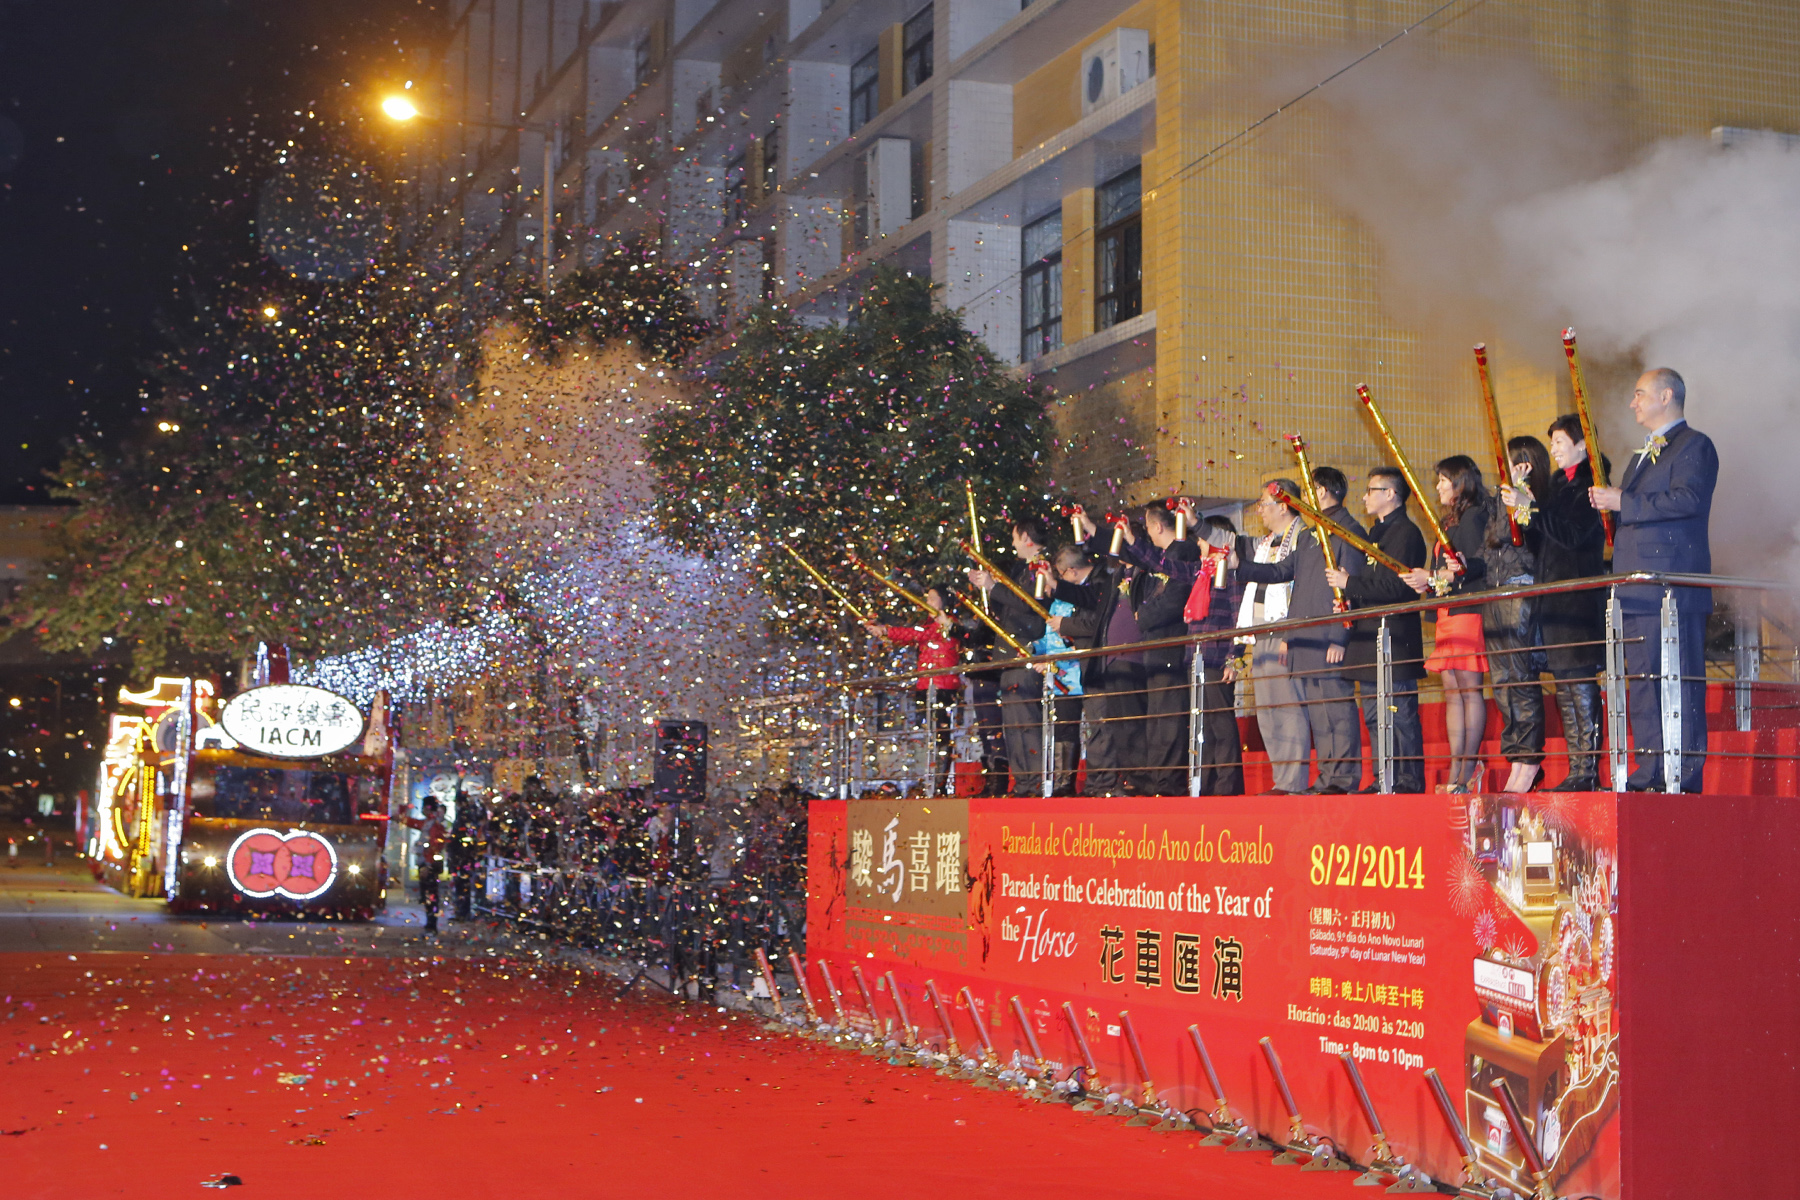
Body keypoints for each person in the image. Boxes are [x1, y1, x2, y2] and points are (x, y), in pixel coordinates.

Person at [1589, 367, 1718, 792]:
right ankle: (1650, 770)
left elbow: (1688, 499)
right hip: (1636, 586)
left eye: (1640, 393)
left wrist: (1622, 501)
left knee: (1679, 681)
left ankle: (1683, 775)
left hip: (1671, 586)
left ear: (1666, 396)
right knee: (1644, 683)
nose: (1633, 402)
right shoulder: (1642, 453)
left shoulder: (1695, 444)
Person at [1237, 474, 1366, 794]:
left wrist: (1339, 637)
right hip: (1305, 636)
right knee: (1319, 715)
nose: (1304, 498)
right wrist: (1239, 565)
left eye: (1309, 491)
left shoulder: (1347, 530)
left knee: (1337, 710)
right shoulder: (1310, 535)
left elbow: (1350, 590)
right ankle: (1326, 777)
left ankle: (1344, 778)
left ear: (1322, 491)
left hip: (1329, 637)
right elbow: (1282, 572)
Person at [1512, 415, 1609, 790]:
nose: (1552, 449)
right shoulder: (1556, 484)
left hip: (1577, 598)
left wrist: (1534, 509)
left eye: (1559, 442)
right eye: (1551, 442)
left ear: (1582, 444)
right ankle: (1576, 768)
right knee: (1564, 687)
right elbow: (1541, 543)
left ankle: (1587, 769)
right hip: (1552, 597)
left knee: (1580, 682)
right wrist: (1525, 510)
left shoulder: (1592, 483)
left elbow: (1572, 535)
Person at [1327, 466, 1428, 793]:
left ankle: (1407, 782)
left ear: (1390, 494)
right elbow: (1371, 585)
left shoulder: (1406, 534)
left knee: (1399, 715)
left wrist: (1350, 583)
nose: (1365, 497)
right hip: (1368, 637)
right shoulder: (1374, 535)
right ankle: (1383, 778)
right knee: (1373, 715)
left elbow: (1398, 587)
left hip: (1394, 638)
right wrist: (1349, 599)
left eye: (1371, 490)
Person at [1405, 456, 1490, 793]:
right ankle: (1456, 770)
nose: (1438, 486)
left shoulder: (1475, 516)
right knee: (1453, 692)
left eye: (1443, 480)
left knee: (1469, 690)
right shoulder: (1451, 519)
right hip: (1447, 611)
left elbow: (1472, 567)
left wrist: (1432, 577)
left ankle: (1468, 769)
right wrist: (1427, 580)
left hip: (1467, 610)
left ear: (1460, 482)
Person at [1049, 531, 1144, 797]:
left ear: (1070, 570)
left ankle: (1104, 782)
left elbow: (1096, 622)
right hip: (1090, 665)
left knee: (1102, 726)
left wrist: (1065, 624)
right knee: (1095, 726)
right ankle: (1096, 782)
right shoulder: (1098, 581)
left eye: (1061, 575)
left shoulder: (1103, 580)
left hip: (1104, 663)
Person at [968, 516, 1055, 796]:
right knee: (1013, 726)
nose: (1013, 543)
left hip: (1026, 651)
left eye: (1015, 537)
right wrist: (989, 587)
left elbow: (1030, 604)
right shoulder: (1021, 570)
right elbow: (1008, 607)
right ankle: (1024, 783)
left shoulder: (1041, 567)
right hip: (1009, 654)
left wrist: (994, 587)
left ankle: (1036, 782)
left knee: (1027, 722)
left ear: (1027, 538)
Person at [1118, 503, 1198, 795]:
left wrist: (1143, 616)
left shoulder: (1183, 551)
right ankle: (1157, 779)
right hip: (1154, 647)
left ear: (1157, 526)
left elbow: (1175, 599)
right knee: (1156, 717)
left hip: (1171, 644)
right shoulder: (1163, 555)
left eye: (1148, 527)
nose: (1148, 534)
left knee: (1169, 716)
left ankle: (1169, 782)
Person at [1485, 436, 1550, 792]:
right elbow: (1489, 544)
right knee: (1501, 680)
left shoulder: (1534, 497)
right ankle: (1516, 756)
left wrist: (1521, 490)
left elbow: (1519, 535)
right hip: (1495, 591)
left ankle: (1528, 757)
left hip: (1520, 587)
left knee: (1520, 676)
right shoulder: (1500, 498)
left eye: (1510, 463)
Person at [1236, 481, 1309, 793]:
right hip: (1260, 633)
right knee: (1266, 711)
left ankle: (1293, 782)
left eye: (1264, 504)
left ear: (1283, 505)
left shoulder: (1302, 538)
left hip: (1284, 632)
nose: (1260, 510)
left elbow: (1301, 590)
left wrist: (1289, 633)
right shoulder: (1265, 543)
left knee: (1287, 708)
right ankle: (1281, 780)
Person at [866, 582, 964, 795]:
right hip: (927, 686)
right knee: (932, 734)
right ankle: (934, 779)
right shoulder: (930, 624)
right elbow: (913, 636)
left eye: (932, 598)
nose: (927, 602)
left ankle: (939, 780)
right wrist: (884, 633)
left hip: (941, 687)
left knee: (940, 735)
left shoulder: (946, 623)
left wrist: (887, 630)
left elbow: (917, 635)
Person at [395, 795, 449, 934]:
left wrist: (427, 865)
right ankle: (430, 923)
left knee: (430, 894)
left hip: (428, 864)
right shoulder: (431, 822)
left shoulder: (433, 824)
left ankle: (431, 924)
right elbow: (415, 823)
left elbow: (434, 845)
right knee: (428, 894)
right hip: (428, 863)